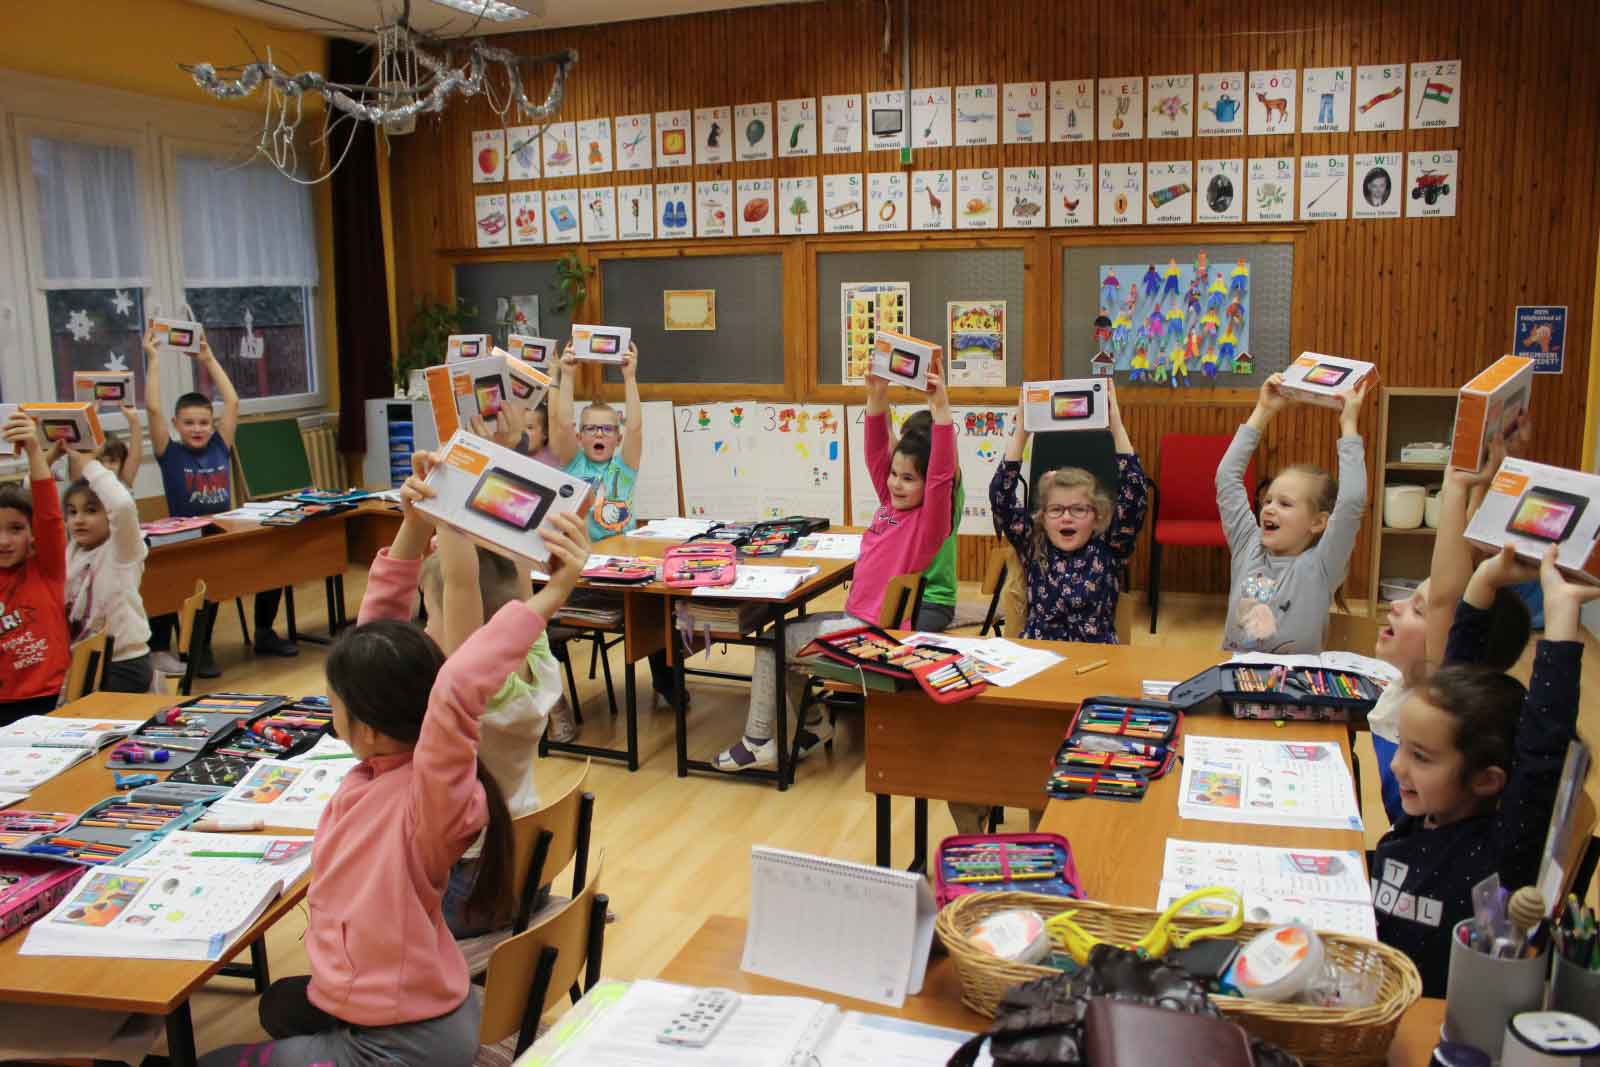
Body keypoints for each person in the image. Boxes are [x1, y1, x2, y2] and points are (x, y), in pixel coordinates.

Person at [195, 459, 590, 1067]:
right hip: (405, 995)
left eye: (336, 703)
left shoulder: (432, 789)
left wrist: (555, 592)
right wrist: (414, 522)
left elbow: (457, 687)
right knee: (281, 1006)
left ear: (371, 724)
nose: (332, 712)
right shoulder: (393, 756)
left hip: (403, 1038)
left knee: (216, 1063)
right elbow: (375, 637)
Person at [1374, 546, 1596, 997]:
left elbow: (1543, 751)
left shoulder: (1503, 851)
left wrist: (1561, 616)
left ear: (1487, 780)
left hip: (1428, 1021)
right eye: (1404, 747)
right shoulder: (1431, 812)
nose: (1398, 765)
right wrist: (1485, 582)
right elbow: (1457, 678)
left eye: (1421, 756)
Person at [712, 368, 956, 772]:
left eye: (909, 479)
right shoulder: (890, 506)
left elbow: (943, 475)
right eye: (894, 475)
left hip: (870, 636)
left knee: (771, 644)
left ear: (928, 485)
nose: (895, 484)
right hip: (856, 622)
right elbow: (876, 453)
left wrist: (940, 405)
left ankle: (758, 742)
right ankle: (815, 725)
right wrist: (876, 395)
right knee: (782, 638)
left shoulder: (928, 524)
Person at [1367, 430, 1532, 824]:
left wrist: (1455, 487)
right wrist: (1492, 474)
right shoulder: (1441, 684)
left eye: (1418, 610)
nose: (1396, 606)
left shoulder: (1443, 689)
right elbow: (1463, 560)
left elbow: (1448, 594)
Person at [418, 524, 562, 938]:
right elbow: (519, 589)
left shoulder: (476, 689)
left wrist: (449, 516)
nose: (426, 630)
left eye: (431, 614)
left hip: (475, 886)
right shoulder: (539, 663)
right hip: (533, 868)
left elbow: (461, 582)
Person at [544, 343, 680, 734]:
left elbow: (635, 426)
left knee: (660, 608)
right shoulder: (572, 463)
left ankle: (668, 684)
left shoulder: (625, 466)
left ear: (617, 438)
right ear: (581, 436)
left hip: (624, 576)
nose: (599, 434)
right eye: (591, 428)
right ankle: (555, 706)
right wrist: (567, 375)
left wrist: (630, 376)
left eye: (607, 429)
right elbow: (559, 423)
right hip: (581, 577)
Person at [144, 327, 297, 675]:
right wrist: (153, 359)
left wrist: (208, 359)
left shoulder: (219, 445)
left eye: (204, 423)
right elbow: (152, 408)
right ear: (176, 424)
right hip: (189, 540)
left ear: (212, 426)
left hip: (225, 531)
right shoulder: (170, 453)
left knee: (273, 560)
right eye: (189, 423)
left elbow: (233, 402)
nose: (197, 429)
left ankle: (264, 632)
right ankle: (200, 647)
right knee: (204, 582)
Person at [1216, 372, 1368, 653]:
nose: (1269, 508)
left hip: (1296, 681)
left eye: (1285, 504)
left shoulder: (1322, 565)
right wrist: (1263, 410)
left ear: (1318, 522)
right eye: (1268, 500)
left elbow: (1351, 503)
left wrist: (1348, 424)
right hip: (1237, 675)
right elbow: (1227, 479)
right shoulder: (1248, 545)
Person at [989, 383, 1148, 642]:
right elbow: (1001, 495)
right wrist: (1021, 433)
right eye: (1056, 509)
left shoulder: (1109, 548)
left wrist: (1116, 425)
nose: (1066, 517)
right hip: (1040, 656)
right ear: (1042, 516)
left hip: (1095, 656)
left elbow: (1135, 493)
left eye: (1078, 509)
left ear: (1096, 515)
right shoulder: (1034, 545)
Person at [60, 446, 154, 693]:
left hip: (123, 663)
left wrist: (89, 464)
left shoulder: (122, 550)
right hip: (81, 662)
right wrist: (44, 459)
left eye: (91, 510)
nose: (79, 520)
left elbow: (122, 506)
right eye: (72, 512)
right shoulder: (72, 551)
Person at [0, 412, 69, 724]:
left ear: (32, 534)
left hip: (50, 697)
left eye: (16, 529)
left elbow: (48, 513)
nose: (4, 541)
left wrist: (33, 449)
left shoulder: (46, 568)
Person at [896, 410, 962, 632]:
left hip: (933, 601)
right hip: (903, 594)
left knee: (893, 640)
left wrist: (939, 406)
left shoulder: (945, 492)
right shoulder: (909, 496)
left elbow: (947, 463)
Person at [47, 403, 141, 487]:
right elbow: (77, 459)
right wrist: (89, 418)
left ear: (121, 466)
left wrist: (134, 422)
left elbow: (135, 458)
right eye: (99, 461)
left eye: (112, 461)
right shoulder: (81, 483)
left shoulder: (122, 482)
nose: (106, 467)